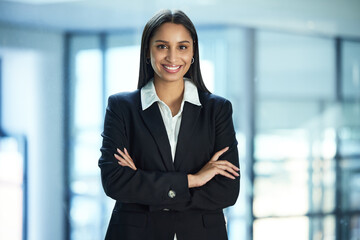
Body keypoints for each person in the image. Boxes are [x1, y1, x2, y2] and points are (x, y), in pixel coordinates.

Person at [98, 9, 240, 240]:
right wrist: (193, 180)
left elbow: (226, 192)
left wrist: (144, 182)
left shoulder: (218, 110)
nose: (173, 57)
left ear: (193, 51)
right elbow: (115, 182)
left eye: (182, 47)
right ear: (147, 51)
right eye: (162, 46)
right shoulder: (122, 107)